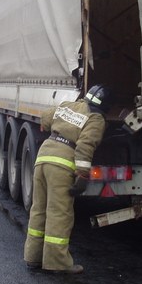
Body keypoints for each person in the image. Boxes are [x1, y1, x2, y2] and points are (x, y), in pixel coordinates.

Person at [23, 84, 108, 274]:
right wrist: (82, 175)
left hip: (43, 157)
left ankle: (33, 257)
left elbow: (45, 117)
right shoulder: (96, 119)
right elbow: (85, 146)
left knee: (39, 209)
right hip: (60, 166)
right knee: (59, 213)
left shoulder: (69, 106)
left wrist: (50, 125)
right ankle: (57, 263)